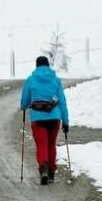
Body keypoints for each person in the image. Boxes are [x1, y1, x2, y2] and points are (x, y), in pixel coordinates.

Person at [20, 55, 69, 185]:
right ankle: (52, 172)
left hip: (38, 118)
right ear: (48, 66)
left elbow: (24, 101)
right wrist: (66, 121)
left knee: (42, 145)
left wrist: (24, 106)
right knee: (51, 145)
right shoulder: (56, 80)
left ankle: (44, 170)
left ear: (36, 66)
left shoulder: (31, 79)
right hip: (54, 118)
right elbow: (62, 102)